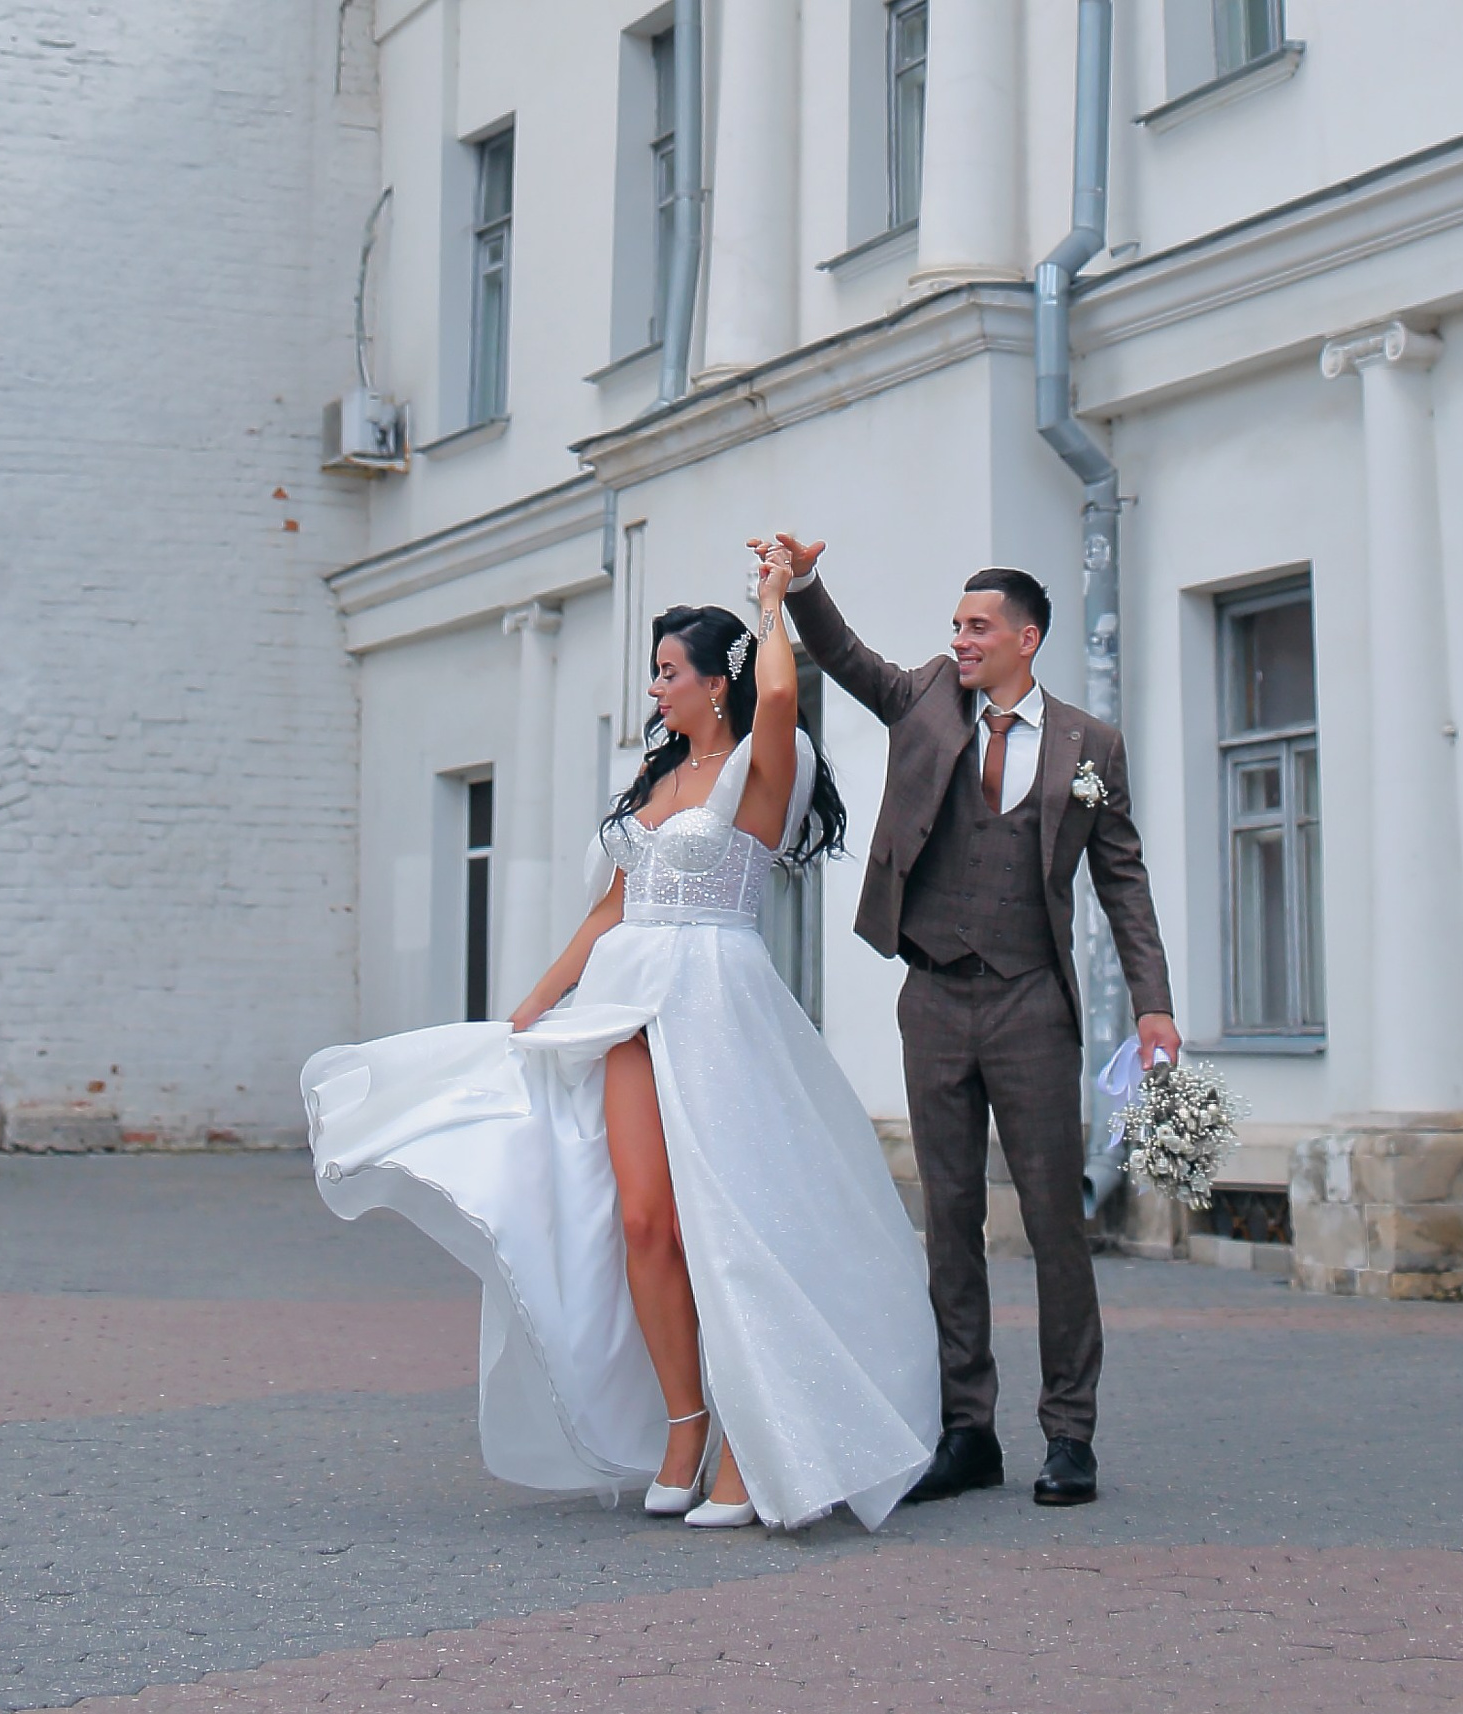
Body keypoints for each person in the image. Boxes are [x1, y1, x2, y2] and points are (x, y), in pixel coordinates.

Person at [303, 542, 938, 1531]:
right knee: (641, 1222)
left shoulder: (764, 769)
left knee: (725, 1225)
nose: (654, 686)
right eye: (654, 670)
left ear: (714, 682)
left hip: (715, 996)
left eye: (668, 671)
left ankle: (752, 1438)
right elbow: (609, 909)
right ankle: (682, 1428)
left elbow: (779, 701)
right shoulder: (656, 779)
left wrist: (774, 601)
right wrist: (534, 1004)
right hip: (623, 996)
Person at [776, 535, 1178, 1509]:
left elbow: (1119, 880)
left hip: (1032, 1003)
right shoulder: (924, 702)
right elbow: (845, 657)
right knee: (948, 1220)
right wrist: (802, 585)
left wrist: (1154, 1004)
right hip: (936, 995)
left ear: (1024, 640)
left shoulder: (1089, 748)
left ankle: (1068, 1435)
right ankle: (967, 1431)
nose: (958, 639)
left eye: (976, 626)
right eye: (954, 625)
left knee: (1052, 1223)